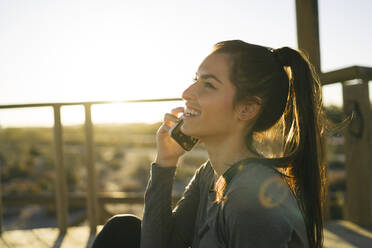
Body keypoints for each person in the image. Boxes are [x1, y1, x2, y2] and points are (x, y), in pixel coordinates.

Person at [92, 40, 326, 248]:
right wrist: (166, 161)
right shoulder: (210, 174)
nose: (187, 93)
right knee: (124, 229)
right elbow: (160, 244)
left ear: (247, 109)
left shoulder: (253, 198)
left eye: (209, 85)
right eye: (196, 80)